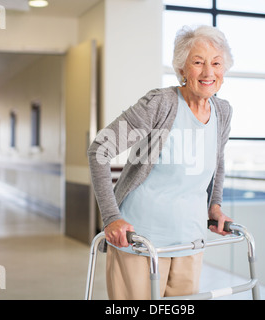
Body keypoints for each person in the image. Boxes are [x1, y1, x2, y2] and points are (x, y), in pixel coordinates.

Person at [87, 25, 234, 300]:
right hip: (140, 240)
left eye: (216, 63)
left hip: (190, 241)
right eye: (198, 62)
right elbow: (99, 150)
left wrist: (214, 207)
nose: (208, 72)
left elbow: (218, 160)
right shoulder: (160, 104)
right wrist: (111, 218)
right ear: (181, 68)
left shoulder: (222, 111)